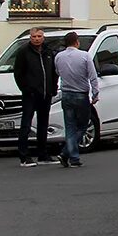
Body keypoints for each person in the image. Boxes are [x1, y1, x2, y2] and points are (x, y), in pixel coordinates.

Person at [11, 28, 58, 167]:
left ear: (43, 37)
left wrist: (53, 88)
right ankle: (24, 156)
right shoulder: (23, 52)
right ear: (30, 38)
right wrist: (26, 89)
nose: (37, 39)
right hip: (30, 95)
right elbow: (18, 73)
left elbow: (53, 72)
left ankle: (43, 155)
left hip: (46, 93)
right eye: (34, 36)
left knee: (43, 124)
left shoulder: (48, 52)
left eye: (39, 36)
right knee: (26, 124)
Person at [53, 32, 99, 168]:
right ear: (76, 42)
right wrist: (95, 93)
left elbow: (57, 72)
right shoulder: (84, 56)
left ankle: (72, 156)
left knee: (70, 126)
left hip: (66, 94)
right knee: (83, 125)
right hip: (81, 94)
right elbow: (93, 76)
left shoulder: (59, 57)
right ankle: (68, 153)